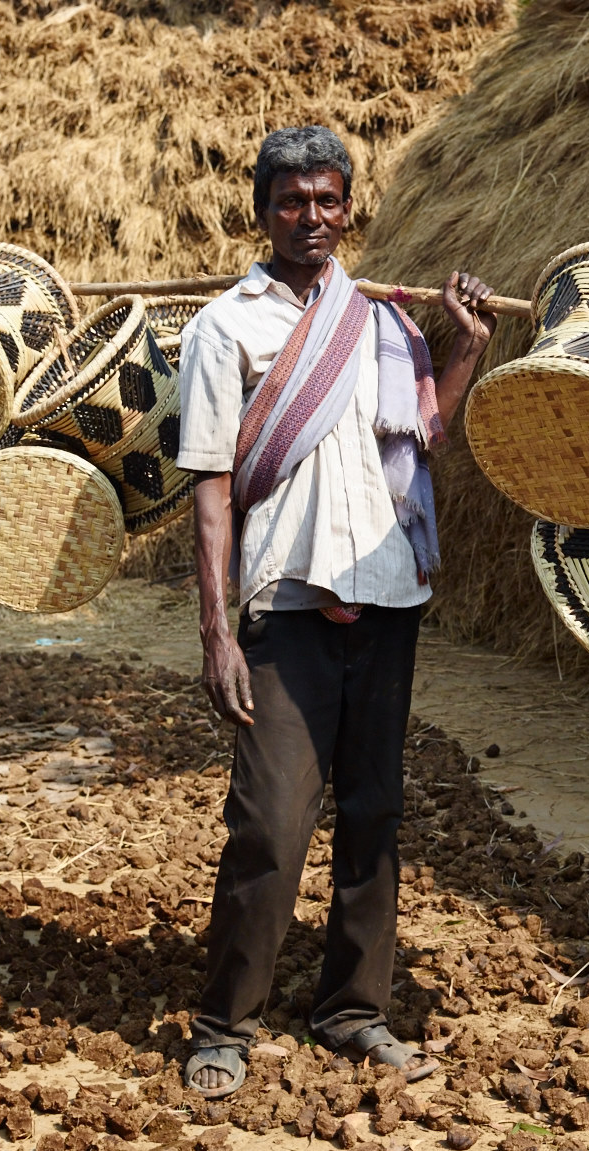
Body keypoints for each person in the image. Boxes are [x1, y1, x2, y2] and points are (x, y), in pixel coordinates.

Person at [174, 125, 497, 1099]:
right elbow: (210, 490)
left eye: (327, 199)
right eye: (291, 201)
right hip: (286, 605)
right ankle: (223, 1023)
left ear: (347, 205)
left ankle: (353, 1007)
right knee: (270, 822)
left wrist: (469, 349)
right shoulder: (224, 330)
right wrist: (216, 629)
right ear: (261, 210)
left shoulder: (385, 320)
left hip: (388, 594)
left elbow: (423, 435)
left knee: (373, 814)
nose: (310, 218)